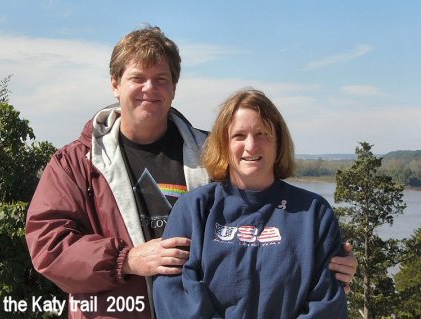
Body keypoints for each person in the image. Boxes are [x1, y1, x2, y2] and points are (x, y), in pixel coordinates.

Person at [25, 26, 355, 319]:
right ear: (115, 84)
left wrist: (327, 264)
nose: (149, 88)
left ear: (174, 87)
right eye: (137, 78)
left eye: (161, 79)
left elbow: (259, 234)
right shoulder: (77, 162)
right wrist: (125, 259)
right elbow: (48, 246)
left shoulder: (213, 154)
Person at [153, 89, 348, 318]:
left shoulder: (314, 213)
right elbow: (173, 294)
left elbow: (327, 303)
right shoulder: (194, 209)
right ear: (223, 144)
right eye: (239, 136)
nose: (251, 146)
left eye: (262, 134)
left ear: (279, 143)